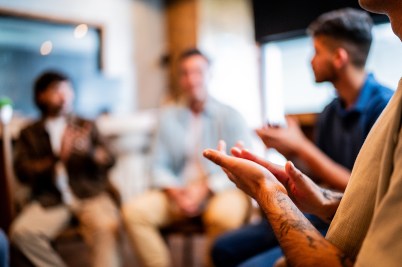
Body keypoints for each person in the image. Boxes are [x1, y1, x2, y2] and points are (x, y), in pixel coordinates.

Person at [204, 0, 402, 265]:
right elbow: (319, 177)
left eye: (316, 51)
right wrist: (286, 155)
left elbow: (363, 192)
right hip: (323, 208)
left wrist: (298, 150)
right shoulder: (331, 110)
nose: (310, 60)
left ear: (339, 58)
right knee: (223, 248)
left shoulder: (383, 105)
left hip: (329, 219)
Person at [122, 48, 252, 267]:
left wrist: (205, 189)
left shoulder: (231, 116)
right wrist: (175, 191)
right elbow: (157, 164)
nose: (192, 79)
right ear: (180, 79)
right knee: (134, 213)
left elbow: (243, 165)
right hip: (178, 190)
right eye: (185, 73)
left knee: (224, 218)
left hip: (221, 189)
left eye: (198, 72)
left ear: (209, 74)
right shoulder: (167, 116)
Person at [10, 71, 121, 267]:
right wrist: (57, 157)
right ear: (41, 96)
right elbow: (23, 172)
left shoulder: (85, 125)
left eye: (67, 89)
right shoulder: (30, 133)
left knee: (106, 226)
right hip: (51, 198)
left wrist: (90, 151)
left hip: (90, 194)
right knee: (22, 234)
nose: (64, 95)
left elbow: (110, 158)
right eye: (56, 90)